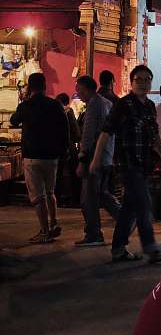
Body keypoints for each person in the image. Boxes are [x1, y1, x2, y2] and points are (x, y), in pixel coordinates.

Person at [90, 64, 161, 264]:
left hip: (144, 164)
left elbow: (155, 137)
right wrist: (96, 160)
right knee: (145, 205)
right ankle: (151, 249)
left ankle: (118, 249)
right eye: (139, 79)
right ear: (131, 81)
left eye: (147, 79)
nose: (143, 83)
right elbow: (105, 131)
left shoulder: (150, 107)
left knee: (129, 208)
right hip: (127, 165)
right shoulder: (123, 105)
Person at [10, 72, 69, 243]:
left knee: (37, 197)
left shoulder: (26, 105)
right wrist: (63, 150)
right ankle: (53, 223)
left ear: (30, 87)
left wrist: (23, 102)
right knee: (50, 192)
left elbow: (14, 121)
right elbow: (64, 129)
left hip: (33, 156)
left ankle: (44, 232)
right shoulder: (55, 105)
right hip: (52, 157)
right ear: (44, 86)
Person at [75, 74, 120, 247]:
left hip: (95, 159)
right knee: (101, 194)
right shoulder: (107, 102)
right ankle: (126, 218)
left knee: (88, 200)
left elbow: (88, 135)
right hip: (106, 156)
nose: (77, 93)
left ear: (86, 89)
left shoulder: (94, 105)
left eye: (78, 89)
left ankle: (94, 234)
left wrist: (82, 159)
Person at [55, 91, 82, 206]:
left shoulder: (52, 112)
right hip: (69, 149)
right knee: (73, 176)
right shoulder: (69, 112)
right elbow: (76, 133)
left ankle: (58, 200)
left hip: (55, 150)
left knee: (57, 176)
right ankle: (75, 200)